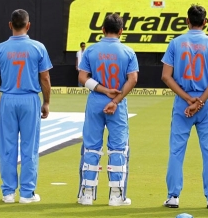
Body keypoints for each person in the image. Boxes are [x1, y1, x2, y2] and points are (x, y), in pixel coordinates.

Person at [161, 4, 208, 209]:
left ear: (187, 21)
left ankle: (173, 196)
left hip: (183, 103)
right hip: (206, 104)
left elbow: (166, 76)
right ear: (205, 22)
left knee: (176, 151)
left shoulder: (176, 43)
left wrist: (189, 100)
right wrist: (200, 101)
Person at [0, 9, 52, 204]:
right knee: (29, 146)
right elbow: (45, 78)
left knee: (7, 146)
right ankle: (27, 193)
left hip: (8, 97)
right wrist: (46, 102)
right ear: (28, 25)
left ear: (10, 25)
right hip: (30, 99)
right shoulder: (38, 47)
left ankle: (8, 193)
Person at [77, 13, 138, 206]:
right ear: (121, 31)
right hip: (117, 105)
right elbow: (133, 79)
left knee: (91, 147)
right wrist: (116, 99)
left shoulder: (91, 50)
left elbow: (83, 77)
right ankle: (116, 196)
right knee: (118, 148)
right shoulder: (128, 51)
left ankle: (86, 194)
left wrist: (103, 90)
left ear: (102, 29)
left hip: (95, 101)